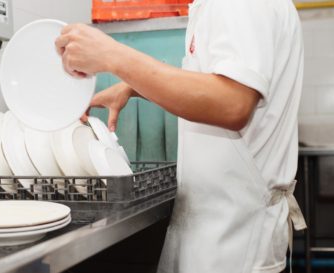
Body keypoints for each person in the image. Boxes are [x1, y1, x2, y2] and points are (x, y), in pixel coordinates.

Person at [55, 0, 307, 272]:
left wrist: (113, 56)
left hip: (235, 244)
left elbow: (232, 103)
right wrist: (134, 87)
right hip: (219, 235)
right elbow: (212, 87)